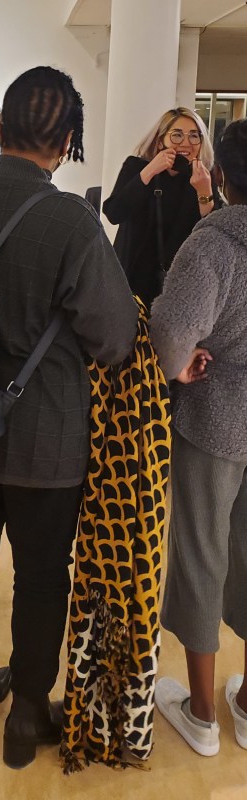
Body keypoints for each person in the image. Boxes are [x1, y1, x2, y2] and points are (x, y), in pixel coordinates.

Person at [0, 66, 138, 768]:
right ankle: (27, 717)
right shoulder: (71, 220)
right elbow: (113, 338)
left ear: (1, 128)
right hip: (46, 433)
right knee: (41, 573)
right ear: (66, 141)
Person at [150, 119, 247, 759]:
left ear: (226, 175)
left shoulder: (214, 243)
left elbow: (169, 333)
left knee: (202, 551)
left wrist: (180, 365)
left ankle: (204, 713)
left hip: (217, 417)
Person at [102, 107, 217, 308]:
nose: (186, 143)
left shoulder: (203, 177)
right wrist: (149, 171)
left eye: (194, 136)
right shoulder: (136, 167)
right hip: (131, 278)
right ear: (160, 140)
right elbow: (114, 213)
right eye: (177, 135)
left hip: (179, 283)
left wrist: (204, 192)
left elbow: (213, 235)